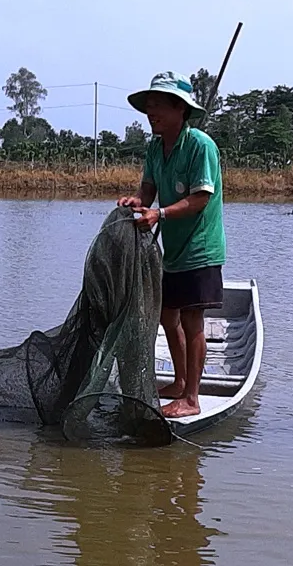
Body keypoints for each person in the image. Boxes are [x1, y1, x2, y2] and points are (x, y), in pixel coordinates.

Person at [117, 71, 226, 419]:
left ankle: (191, 398)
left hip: (200, 249)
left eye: (159, 105)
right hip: (173, 252)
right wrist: (138, 202)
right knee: (167, 315)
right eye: (149, 106)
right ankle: (179, 383)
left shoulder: (200, 146)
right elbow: (148, 188)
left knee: (193, 321)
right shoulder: (154, 146)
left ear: (180, 109)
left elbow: (199, 200)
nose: (152, 113)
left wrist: (159, 214)